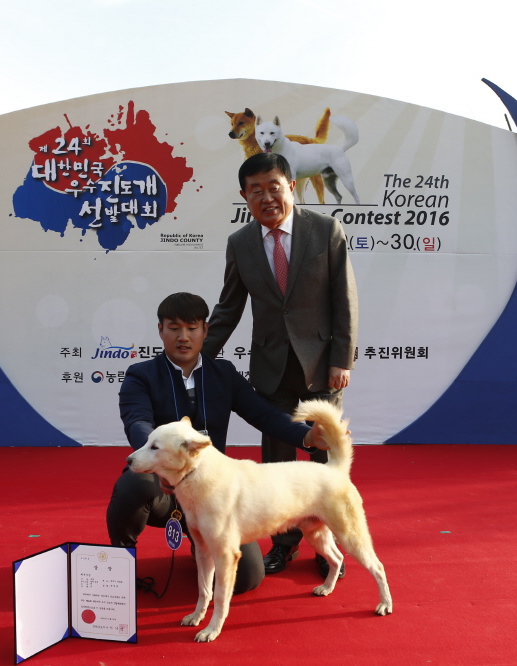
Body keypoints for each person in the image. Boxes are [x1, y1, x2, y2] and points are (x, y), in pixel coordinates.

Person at [106, 292, 326, 594]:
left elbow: (263, 413)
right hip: (163, 491)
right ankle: (119, 564)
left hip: (212, 496)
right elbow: (137, 422)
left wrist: (305, 435)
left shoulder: (223, 374)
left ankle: (201, 545)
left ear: (205, 330)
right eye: (174, 328)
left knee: (247, 578)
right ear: (160, 330)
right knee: (136, 482)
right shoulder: (141, 375)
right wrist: (159, 466)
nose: (183, 337)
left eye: (192, 328)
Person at [204, 152, 359, 577]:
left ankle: (327, 549)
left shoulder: (325, 230)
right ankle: (284, 544)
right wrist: (197, 358)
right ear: (244, 196)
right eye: (255, 190)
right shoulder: (240, 243)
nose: (266, 197)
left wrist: (341, 359)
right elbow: (228, 307)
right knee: (276, 465)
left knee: (325, 462)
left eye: (274, 187)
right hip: (270, 370)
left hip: (321, 366)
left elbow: (344, 299)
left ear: (291, 186)